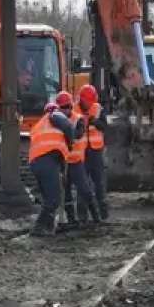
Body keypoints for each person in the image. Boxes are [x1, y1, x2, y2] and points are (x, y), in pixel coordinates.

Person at [28, 102, 75, 236]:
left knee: (48, 198)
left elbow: (56, 151)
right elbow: (68, 126)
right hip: (46, 161)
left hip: (36, 162)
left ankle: (48, 228)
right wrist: (70, 142)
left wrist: (63, 171)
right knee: (53, 199)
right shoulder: (54, 114)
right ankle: (39, 228)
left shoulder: (39, 125)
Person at [57, 90, 102, 226]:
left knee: (85, 191)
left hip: (76, 162)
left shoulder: (78, 119)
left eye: (67, 106)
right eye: (62, 107)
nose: (65, 110)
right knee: (66, 193)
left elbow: (78, 134)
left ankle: (96, 218)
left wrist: (65, 134)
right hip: (63, 162)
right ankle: (72, 219)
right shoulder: (56, 120)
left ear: (71, 106)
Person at [78, 84, 109, 222]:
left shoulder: (97, 108)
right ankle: (82, 215)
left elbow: (104, 126)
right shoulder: (74, 109)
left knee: (99, 183)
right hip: (81, 152)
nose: (89, 105)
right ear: (81, 99)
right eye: (87, 102)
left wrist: (95, 121)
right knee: (83, 184)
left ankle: (103, 214)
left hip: (96, 151)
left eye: (91, 102)